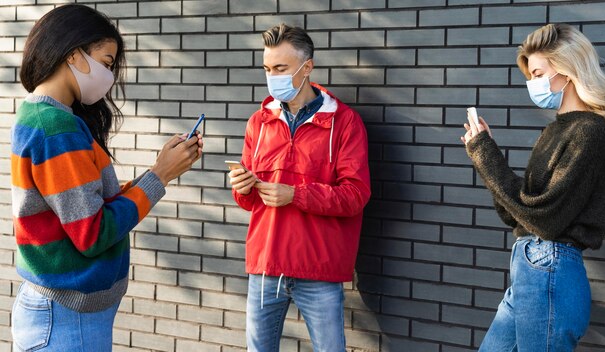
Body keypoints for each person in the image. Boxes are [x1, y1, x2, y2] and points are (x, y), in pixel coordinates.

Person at [11, 5, 203, 351]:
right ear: (74, 54)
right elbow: (92, 232)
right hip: (67, 319)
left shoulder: (43, 115)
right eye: (107, 61)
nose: (109, 75)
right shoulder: (57, 128)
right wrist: (159, 176)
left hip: (62, 313)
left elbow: (85, 207)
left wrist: (159, 171)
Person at [461, 23, 605, 351]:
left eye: (537, 73)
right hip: (529, 270)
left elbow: (545, 219)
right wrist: (484, 154)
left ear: (566, 70)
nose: (532, 84)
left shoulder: (589, 132)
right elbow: (517, 214)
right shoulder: (555, 131)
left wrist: (487, 156)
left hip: (549, 269)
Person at [228, 24, 370, 352]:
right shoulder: (258, 122)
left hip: (318, 270)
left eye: (280, 68)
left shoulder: (344, 122)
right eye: (267, 68)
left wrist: (295, 194)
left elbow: (356, 195)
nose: (272, 76)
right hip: (265, 265)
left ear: (307, 68)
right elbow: (248, 203)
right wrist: (242, 187)